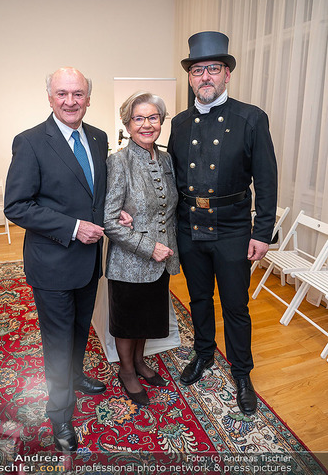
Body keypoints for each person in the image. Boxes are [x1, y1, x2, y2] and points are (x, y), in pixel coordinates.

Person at [4, 67, 131, 452]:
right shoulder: (30, 142)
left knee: (79, 332)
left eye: (78, 94)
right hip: (52, 264)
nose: (71, 101)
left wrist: (117, 210)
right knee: (57, 342)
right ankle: (59, 415)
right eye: (62, 93)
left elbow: (97, 191)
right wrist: (74, 227)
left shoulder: (97, 137)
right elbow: (17, 206)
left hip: (88, 263)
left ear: (88, 98)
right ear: (49, 97)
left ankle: (76, 375)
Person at [167, 32, 277, 416]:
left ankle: (242, 372)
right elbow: (171, 178)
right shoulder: (179, 123)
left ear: (227, 74)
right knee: (198, 298)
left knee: (235, 304)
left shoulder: (250, 118)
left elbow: (266, 180)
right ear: (191, 78)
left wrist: (262, 232)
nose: (205, 76)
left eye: (213, 68)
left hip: (233, 227)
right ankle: (203, 354)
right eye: (198, 70)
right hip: (189, 225)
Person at [103, 92, 180, 406]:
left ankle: (139, 362)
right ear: (127, 123)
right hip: (129, 262)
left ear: (161, 121)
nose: (147, 124)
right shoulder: (118, 162)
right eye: (139, 118)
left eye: (153, 118)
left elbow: (169, 209)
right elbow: (109, 220)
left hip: (162, 262)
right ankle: (126, 371)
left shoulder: (166, 159)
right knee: (127, 321)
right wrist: (150, 248)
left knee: (146, 318)